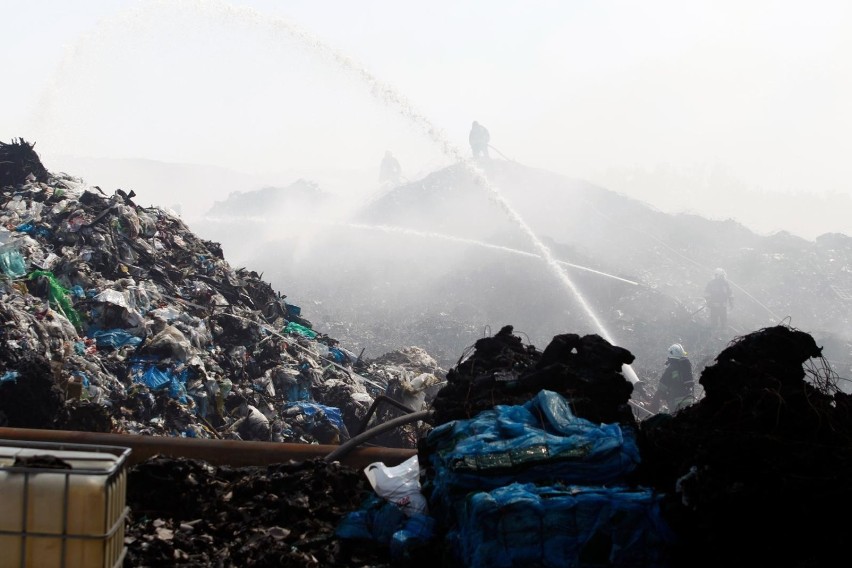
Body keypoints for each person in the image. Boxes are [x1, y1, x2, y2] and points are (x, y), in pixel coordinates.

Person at [651, 343, 695, 413]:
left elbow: (661, 388)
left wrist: (654, 404)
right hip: (689, 400)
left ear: (670, 356)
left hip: (676, 403)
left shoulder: (671, 369)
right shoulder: (686, 367)